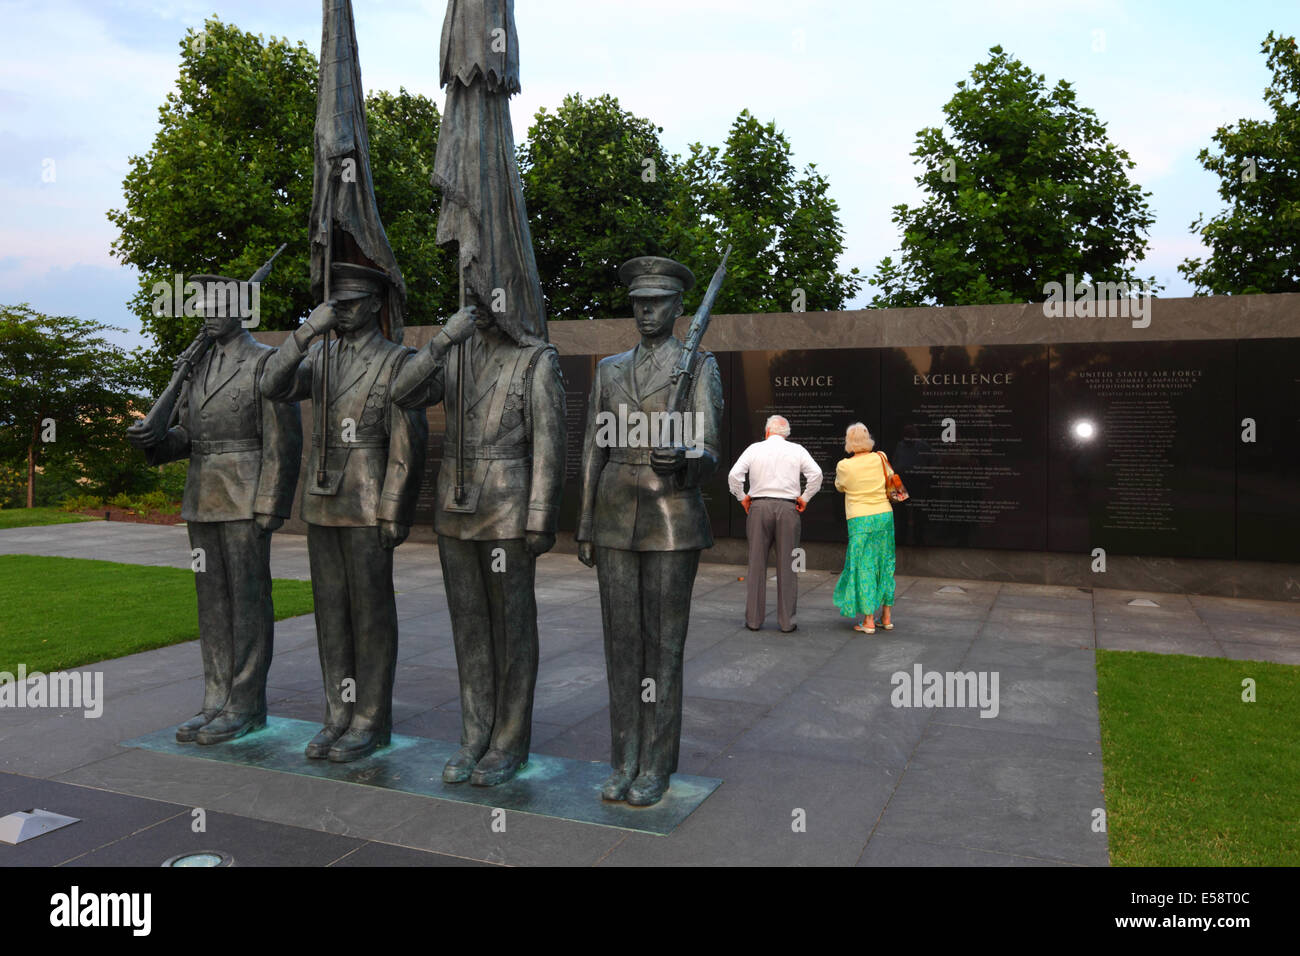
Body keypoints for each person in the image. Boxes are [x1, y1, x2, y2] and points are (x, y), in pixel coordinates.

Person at [260, 262, 432, 762]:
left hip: (368, 498)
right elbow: (272, 383)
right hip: (322, 500)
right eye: (336, 304)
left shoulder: (400, 360)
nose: (343, 312)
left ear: (376, 303)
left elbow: (408, 443)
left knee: (371, 614)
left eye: (352, 303)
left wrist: (394, 508)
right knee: (331, 613)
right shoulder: (322, 357)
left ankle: (370, 720)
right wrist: (308, 330)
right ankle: (338, 713)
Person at [391, 299, 566, 787]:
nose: (483, 307)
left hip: (507, 507)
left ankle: (508, 741)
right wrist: (444, 337)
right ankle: (474, 736)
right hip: (455, 506)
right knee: (468, 631)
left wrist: (540, 516)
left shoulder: (536, 359)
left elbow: (550, 443)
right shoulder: (454, 353)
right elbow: (401, 394)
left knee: (511, 629)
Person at [127, 273, 302, 745]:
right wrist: (154, 441)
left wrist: (271, 503)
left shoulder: (265, 363)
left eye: (215, 304)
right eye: (201, 305)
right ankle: (215, 697)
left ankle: (245, 705)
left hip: (245, 498)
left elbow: (283, 441)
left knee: (248, 602)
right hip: (202, 497)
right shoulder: (196, 366)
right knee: (212, 604)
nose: (206, 313)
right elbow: (187, 435)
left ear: (242, 309)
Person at [576, 255, 724, 807]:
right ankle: (623, 758)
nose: (645, 312)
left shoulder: (700, 365)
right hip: (615, 510)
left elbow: (709, 443)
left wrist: (685, 455)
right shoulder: (609, 368)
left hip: (671, 514)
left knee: (663, 647)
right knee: (620, 646)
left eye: (657, 303)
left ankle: (656, 763)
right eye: (639, 303)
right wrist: (586, 522)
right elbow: (594, 446)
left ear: (678, 306)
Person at [727, 415, 822, 632]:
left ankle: (753, 620)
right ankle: (787, 622)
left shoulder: (754, 448)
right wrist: (805, 498)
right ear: (786, 433)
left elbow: (734, 475)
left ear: (767, 431)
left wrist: (742, 497)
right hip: (788, 508)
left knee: (756, 564)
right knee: (790, 565)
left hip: (759, 507)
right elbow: (816, 475)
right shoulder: (797, 449)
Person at [832, 422, 896, 634]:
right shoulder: (881, 457)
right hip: (884, 515)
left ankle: (868, 620)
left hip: (860, 518)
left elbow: (840, 486)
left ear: (849, 441)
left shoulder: (844, 465)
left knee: (864, 565)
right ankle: (885, 617)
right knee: (885, 562)